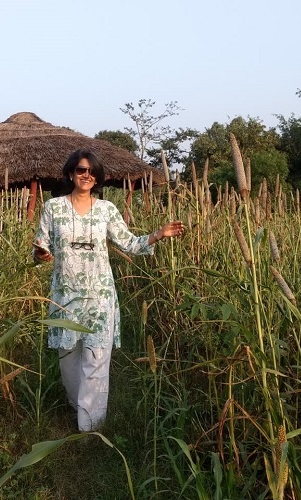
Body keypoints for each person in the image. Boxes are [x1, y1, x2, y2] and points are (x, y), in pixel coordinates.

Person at [33, 149, 184, 432]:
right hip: (65, 295)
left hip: (100, 295)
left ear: (97, 177)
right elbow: (41, 245)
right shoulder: (53, 207)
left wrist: (158, 234)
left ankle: (90, 427)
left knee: (97, 359)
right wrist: (40, 254)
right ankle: (78, 405)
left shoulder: (107, 210)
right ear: (70, 173)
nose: (86, 175)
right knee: (68, 361)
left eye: (92, 171)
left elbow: (129, 243)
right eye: (81, 170)